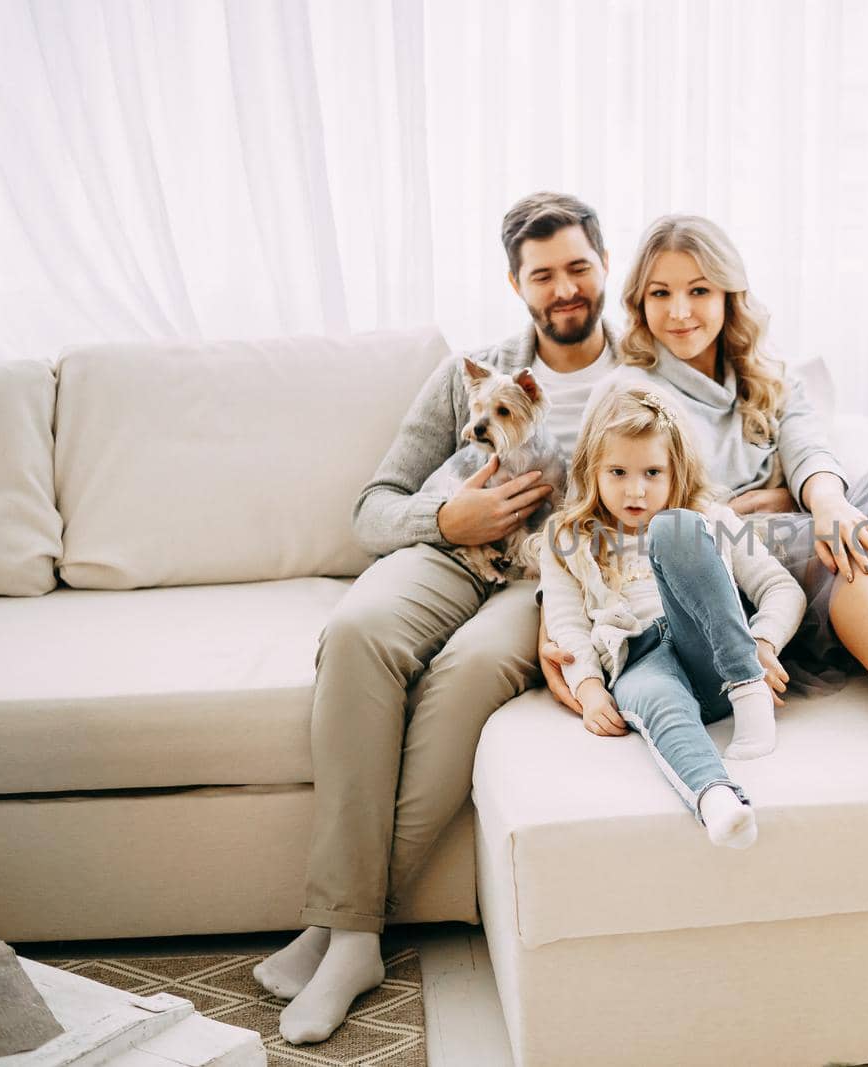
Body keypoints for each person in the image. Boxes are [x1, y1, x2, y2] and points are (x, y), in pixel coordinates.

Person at [254, 192, 619, 1046]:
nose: (563, 288)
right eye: (543, 275)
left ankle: (345, 930)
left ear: (605, 269)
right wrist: (446, 519)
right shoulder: (475, 367)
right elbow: (371, 507)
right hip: (449, 547)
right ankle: (351, 931)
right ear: (514, 283)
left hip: (550, 573)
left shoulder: (641, 374)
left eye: (578, 268)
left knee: (464, 675)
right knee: (355, 633)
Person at [542, 214, 868, 781]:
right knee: (844, 547)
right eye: (661, 294)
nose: (680, 311)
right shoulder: (630, 390)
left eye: (698, 291)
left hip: (791, 537)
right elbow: (591, 509)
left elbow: (809, 450)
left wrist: (821, 503)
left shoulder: (767, 376)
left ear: (730, 296)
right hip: (725, 563)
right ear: (639, 302)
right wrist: (557, 637)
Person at [537, 386, 805, 848]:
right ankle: (716, 799)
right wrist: (589, 687)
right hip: (639, 659)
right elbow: (567, 625)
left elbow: (782, 589)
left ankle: (749, 692)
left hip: (715, 656)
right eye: (617, 472)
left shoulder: (708, 517)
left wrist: (762, 644)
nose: (635, 489)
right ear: (592, 471)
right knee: (657, 698)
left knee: (674, 527)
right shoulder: (567, 537)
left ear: (676, 470)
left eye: (652, 472)